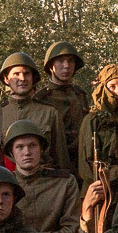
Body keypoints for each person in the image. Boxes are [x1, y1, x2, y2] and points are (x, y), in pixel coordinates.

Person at [0, 119, 83, 233]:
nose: (27, 152)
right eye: (20, 147)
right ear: (11, 153)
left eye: (32, 146)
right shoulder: (2, 187)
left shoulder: (64, 182)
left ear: (41, 149)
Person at [0, 52, 70, 169]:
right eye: (16, 74)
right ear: (6, 79)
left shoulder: (49, 112)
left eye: (27, 74)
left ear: (33, 78)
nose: (22, 78)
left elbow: (61, 157)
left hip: (44, 180)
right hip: (8, 181)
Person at [33, 41, 92, 171]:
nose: (66, 66)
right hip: (56, 166)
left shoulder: (80, 94)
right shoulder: (40, 99)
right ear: (50, 66)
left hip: (83, 163)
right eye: (60, 61)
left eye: (70, 61)